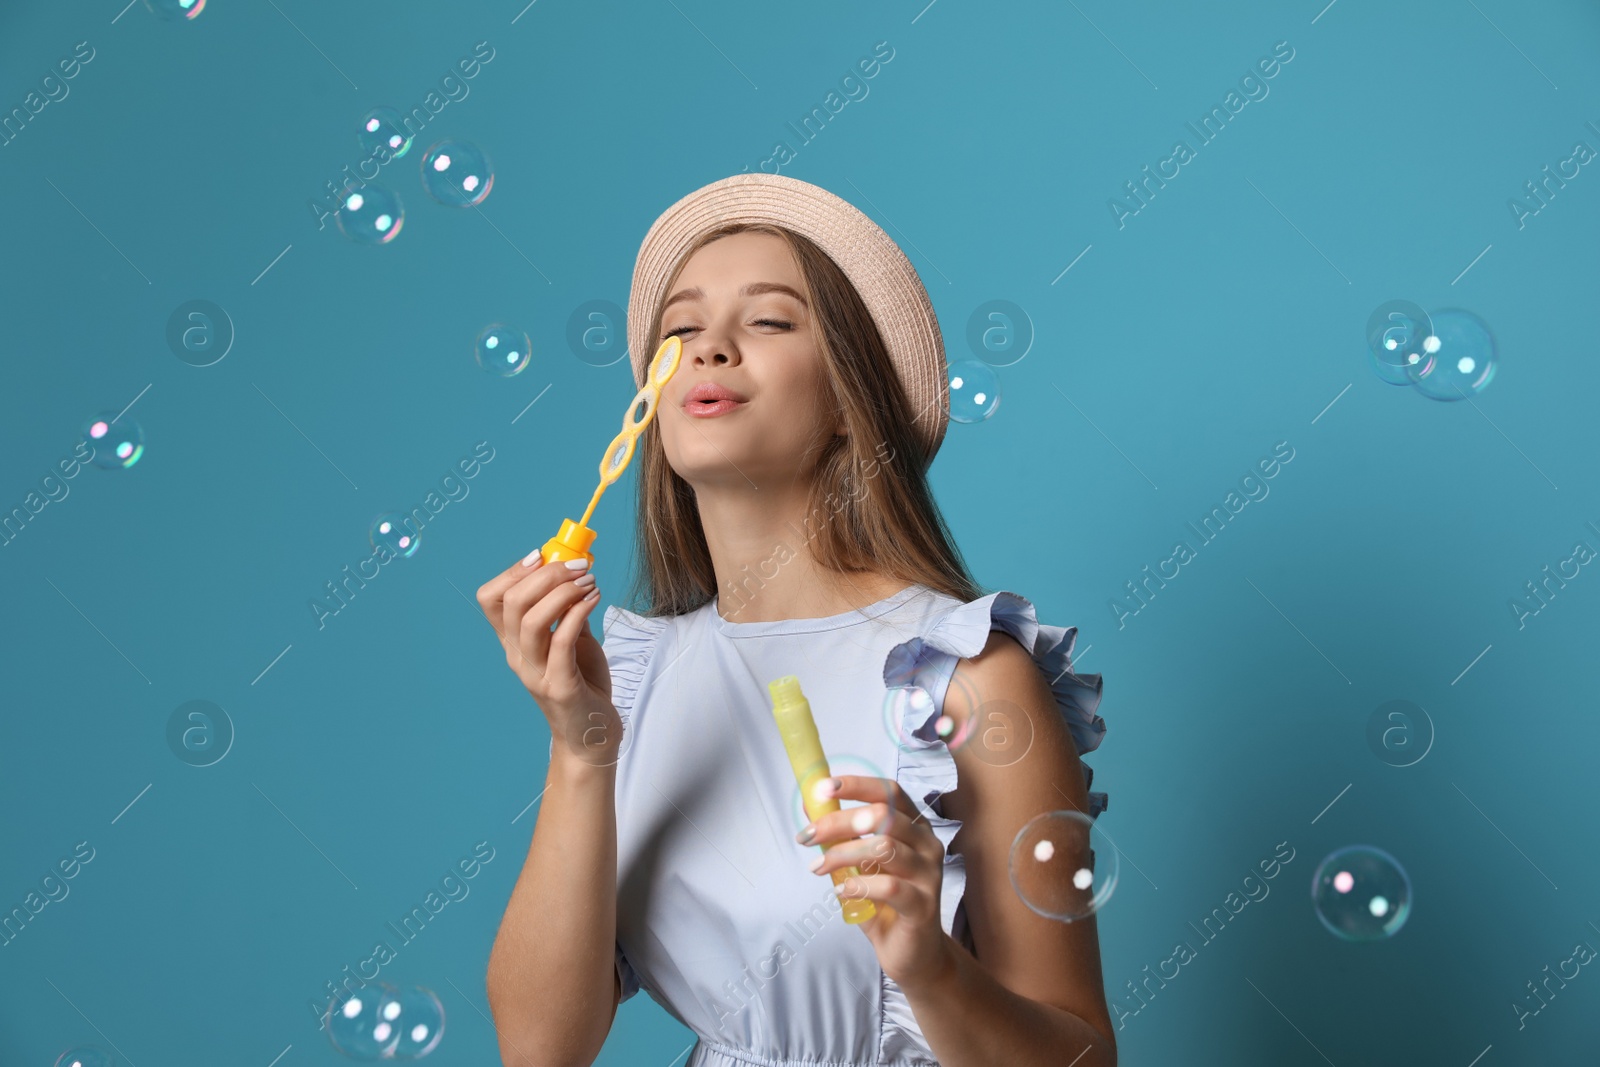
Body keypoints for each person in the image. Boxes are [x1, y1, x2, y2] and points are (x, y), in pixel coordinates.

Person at [478, 173, 1113, 1067]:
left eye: (769, 321)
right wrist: (581, 750)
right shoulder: (634, 679)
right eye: (680, 330)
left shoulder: (967, 677)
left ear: (856, 399)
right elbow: (540, 1049)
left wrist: (931, 967)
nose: (711, 349)